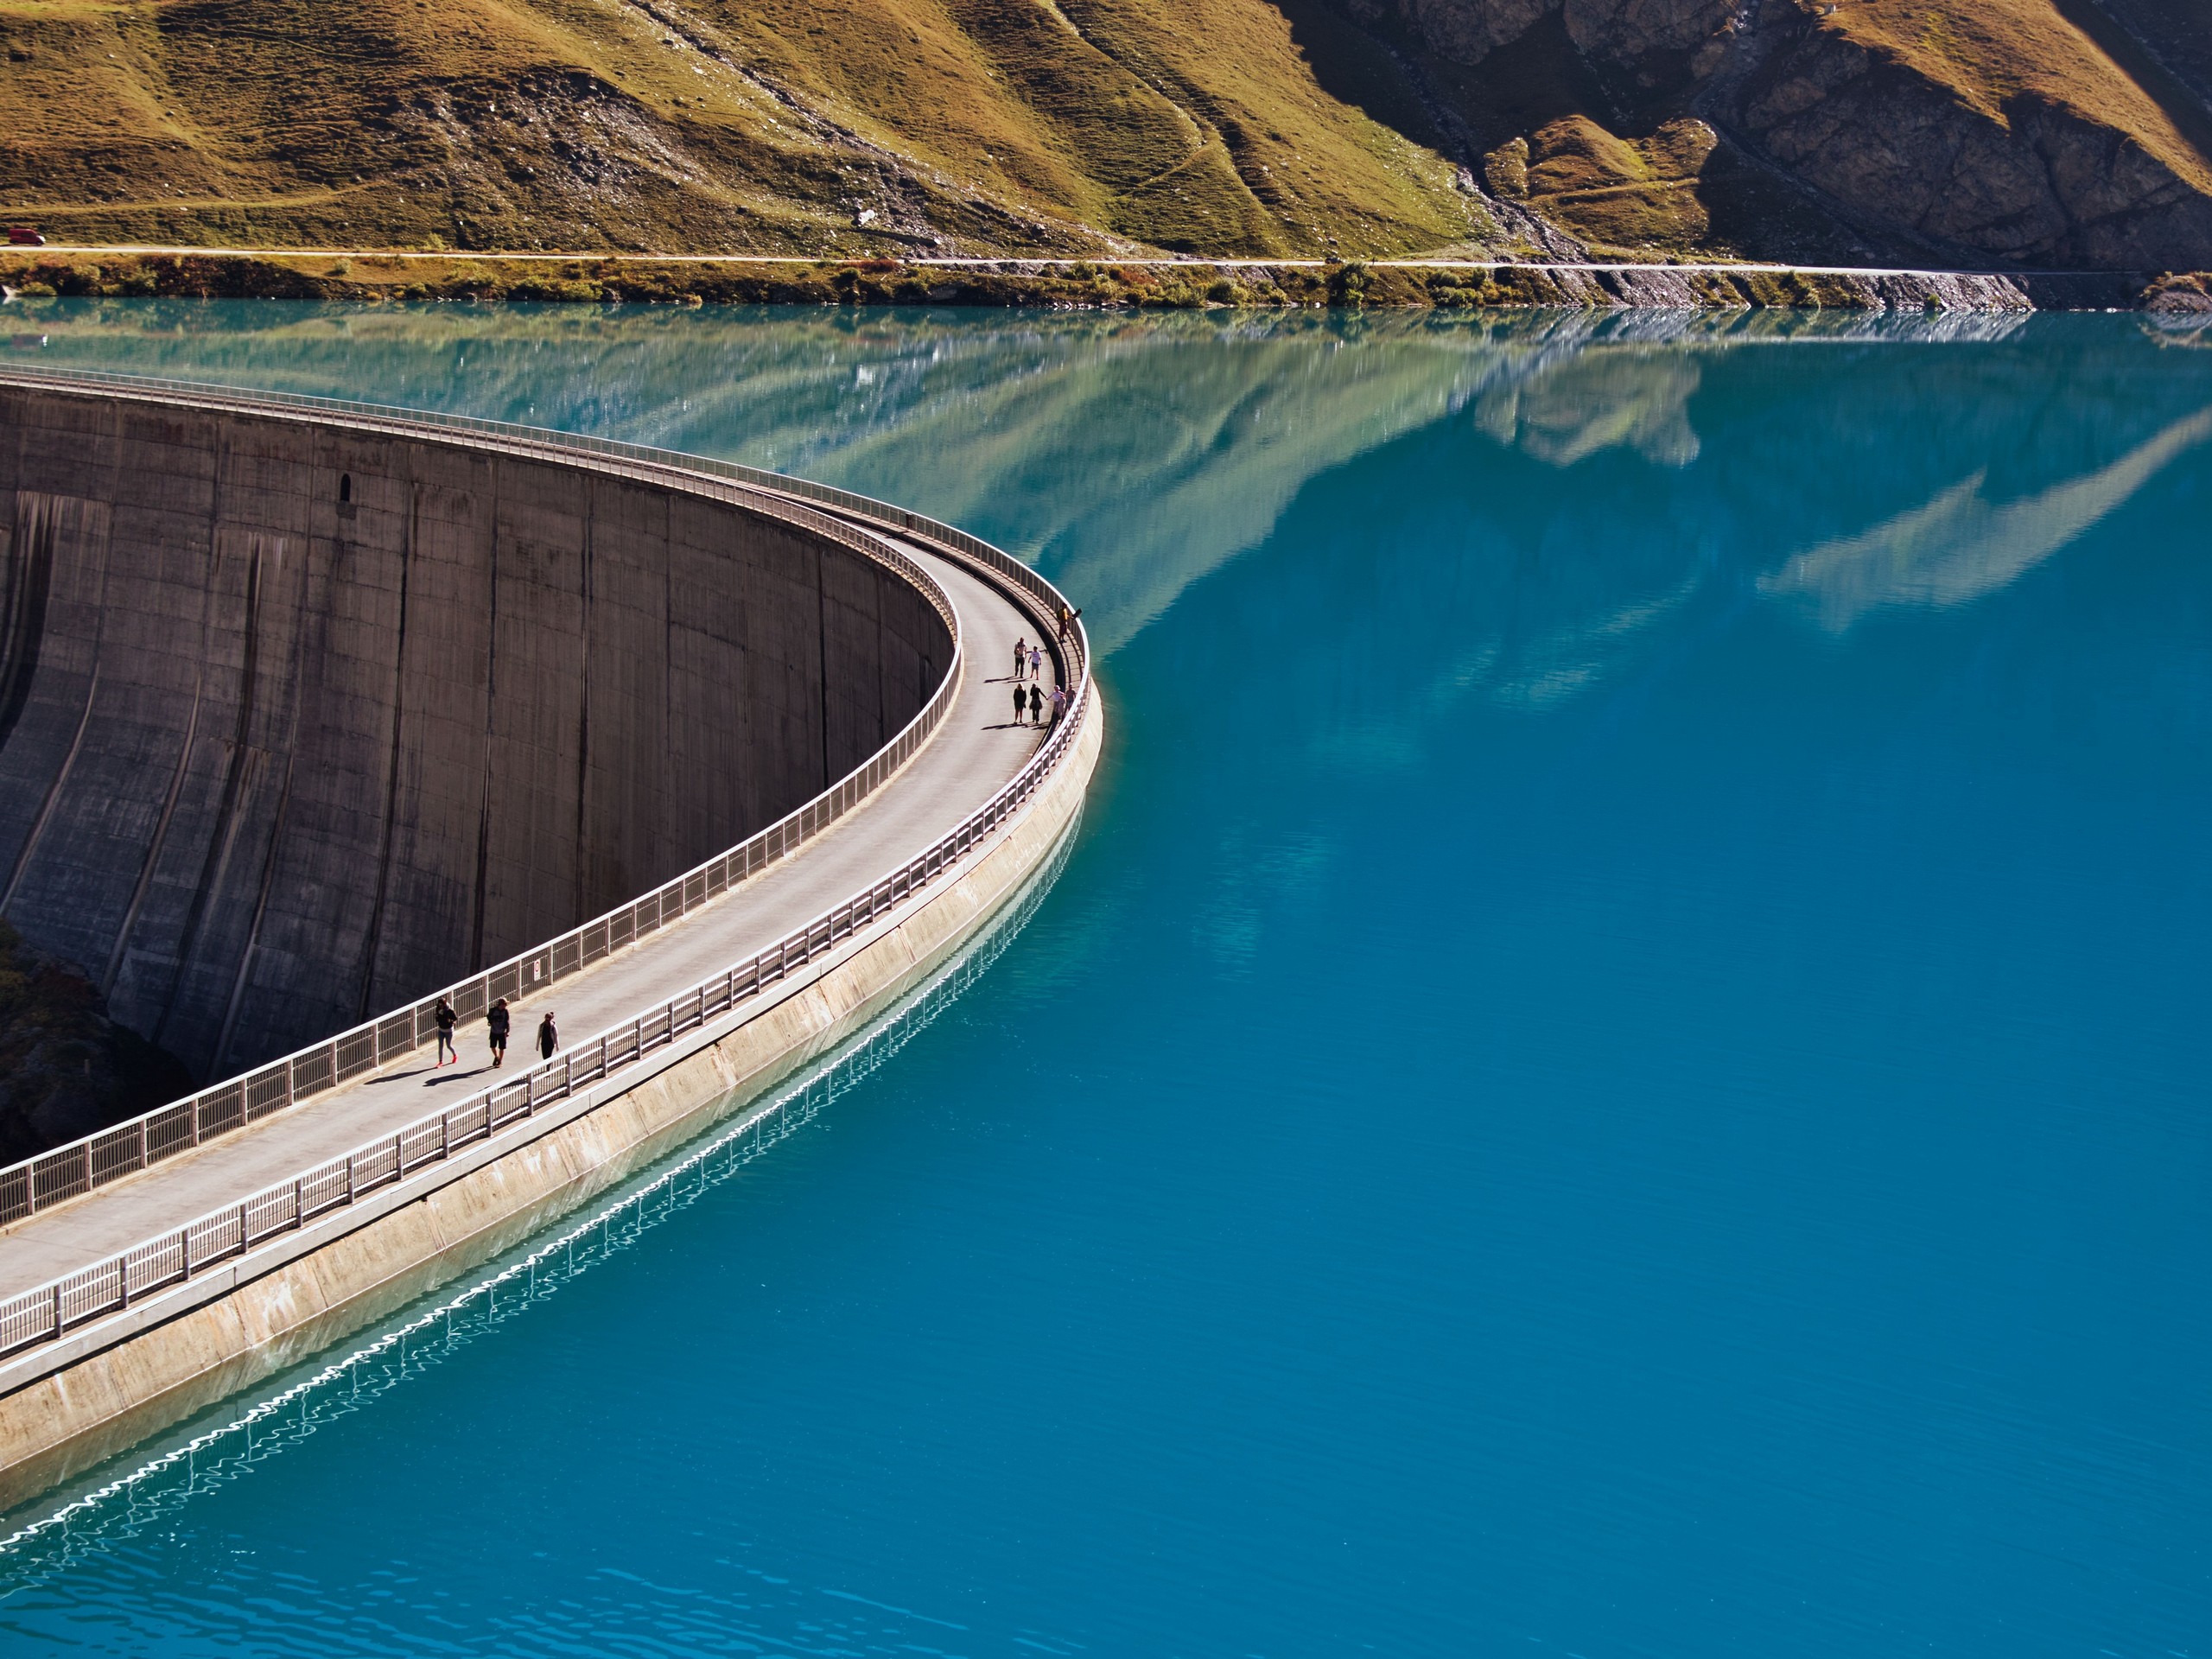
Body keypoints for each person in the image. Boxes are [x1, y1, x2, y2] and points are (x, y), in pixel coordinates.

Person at [486, 997, 511, 1068]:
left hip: (502, 1032)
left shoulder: (505, 1011)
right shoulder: (493, 1010)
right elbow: (488, 1017)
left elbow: (507, 1021)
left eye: (505, 1005)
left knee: (502, 1048)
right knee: (492, 1046)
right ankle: (496, 1057)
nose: (505, 1006)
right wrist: (491, 1021)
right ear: (500, 1004)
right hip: (494, 1031)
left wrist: (507, 1030)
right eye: (504, 1004)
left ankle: (500, 1061)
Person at [434, 996, 457, 1067]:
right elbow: (437, 1019)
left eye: (441, 1005)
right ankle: (440, 1062)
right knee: (440, 1046)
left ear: (444, 1004)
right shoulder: (438, 1009)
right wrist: (438, 1016)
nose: (440, 1006)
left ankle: (455, 1055)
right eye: (439, 1005)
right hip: (441, 1030)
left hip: (449, 1031)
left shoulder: (450, 1010)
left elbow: (455, 1018)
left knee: (448, 1045)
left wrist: (451, 1021)